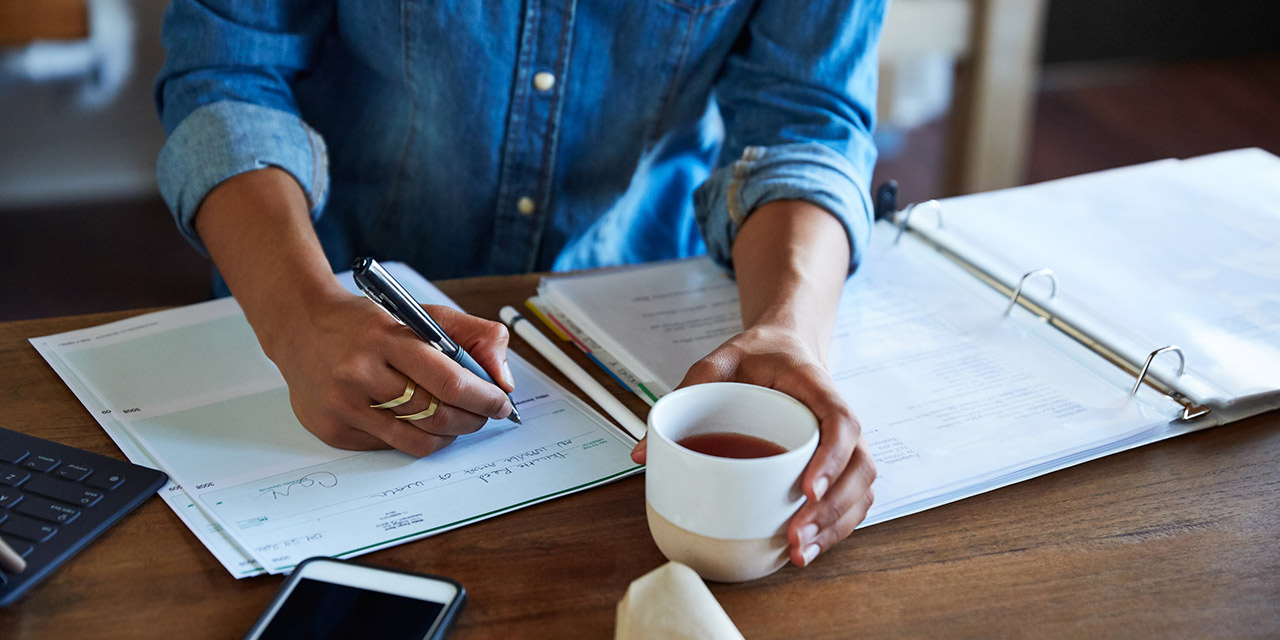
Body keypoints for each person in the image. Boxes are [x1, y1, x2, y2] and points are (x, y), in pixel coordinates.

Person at [155, 0, 884, 570]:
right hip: (315, 278)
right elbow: (224, 72)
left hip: (629, 320)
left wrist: (790, 328)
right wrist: (296, 312)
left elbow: (806, 122)